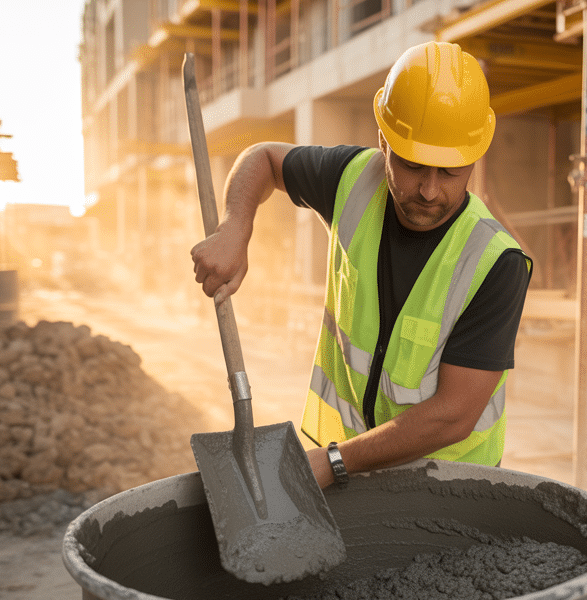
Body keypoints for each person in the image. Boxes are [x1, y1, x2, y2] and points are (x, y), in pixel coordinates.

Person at [191, 41, 531, 489]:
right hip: (352, 474)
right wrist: (236, 225)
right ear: (384, 141)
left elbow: (452, 416)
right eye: (413, 166)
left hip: (449, 489)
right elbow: (263, 159)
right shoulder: (352, 180)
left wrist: (334, 461)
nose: (430, 190)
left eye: (450, 171)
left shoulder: (495, 262)